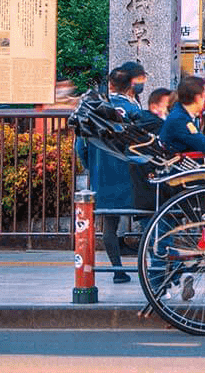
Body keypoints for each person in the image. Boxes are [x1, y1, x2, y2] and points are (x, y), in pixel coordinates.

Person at [78, 68, 142, 283]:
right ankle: (153, 267)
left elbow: (81, 146)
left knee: (109, 225)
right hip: (131, 172)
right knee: (147, 218)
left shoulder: (93, 110)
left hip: (103, 173)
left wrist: (91, 166)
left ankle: (118, 270)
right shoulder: (134, 110)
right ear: (130, 85)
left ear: (110, 85)